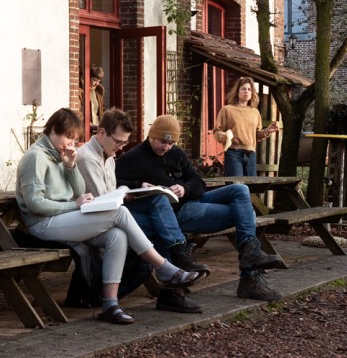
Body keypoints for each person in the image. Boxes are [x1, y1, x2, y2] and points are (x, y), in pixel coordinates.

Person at [16, 106, 199, 325]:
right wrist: (74, 206)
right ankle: (164, 268)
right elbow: (36, 204)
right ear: (53, 130)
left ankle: (110, 304)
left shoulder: (59, 156)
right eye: (68, 137)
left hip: (62, 220)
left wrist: (71, 166)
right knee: (119, 213)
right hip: (42, 224)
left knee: (116, 236)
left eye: (74, 139)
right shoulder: (36, 157)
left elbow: (78, 191)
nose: (71, 143)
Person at [115, 114, 281, 301]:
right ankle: (249, 277)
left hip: (193, 199)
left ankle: (251, 254)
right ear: (151, 136)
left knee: (241, 190)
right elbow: (114, 182)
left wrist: (184, 188)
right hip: (175, 213)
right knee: (247, 214)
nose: (166, 147)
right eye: (162, 142)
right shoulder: (132, 157)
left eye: (170, 143)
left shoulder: (176, 153)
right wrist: (139, 184)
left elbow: (198, 182)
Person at [75, 106, 209, 314]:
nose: (120, 148)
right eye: (118, 142)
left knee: (158, 205)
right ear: (101, 133)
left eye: (124, 143)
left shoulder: (108, 155)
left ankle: (174, 266)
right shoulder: (88, 158)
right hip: (95, 219)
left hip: (112, 213)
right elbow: (102, 203)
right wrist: (127, 190)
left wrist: (131, 190)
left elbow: (111, 193)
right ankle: (172, 275)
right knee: (159, 224)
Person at [213, 76, 280, 178]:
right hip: (233, 153)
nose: (246, 91)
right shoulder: (227, 110)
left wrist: (268, 131)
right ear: (237, 91)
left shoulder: (255, 112)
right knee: (236, 186)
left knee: (251, 188)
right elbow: (217, 131)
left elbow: (256, 135)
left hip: (251, 154)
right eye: (243, 89)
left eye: (249, 89)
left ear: (252, 93)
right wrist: (223, 135)